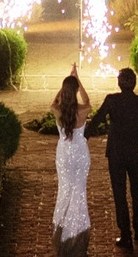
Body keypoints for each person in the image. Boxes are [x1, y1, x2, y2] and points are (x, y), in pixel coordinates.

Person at [97, 65, 138, 247]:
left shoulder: (111, 100)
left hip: (116, 154)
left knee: (119, 194)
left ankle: (125, 234)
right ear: (135, 83)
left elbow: (97, 118)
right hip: (135, 153)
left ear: (119, 83)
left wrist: (81, 135)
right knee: (137, 191)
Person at [52, 68, 93, 257]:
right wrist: (78, 81)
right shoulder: (84, 111)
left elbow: (54, 102)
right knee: (79, 191)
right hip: (80, 153)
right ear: (76, 91)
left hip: (64, 154)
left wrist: (64, 88)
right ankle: (77, 235)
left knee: (65, 190)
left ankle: (62, 233)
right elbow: (88, 102)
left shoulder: (57, 111)